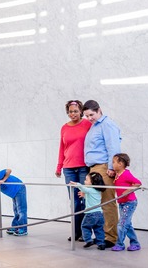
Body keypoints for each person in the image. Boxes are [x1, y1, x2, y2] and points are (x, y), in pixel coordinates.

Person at [83, 99, 122, 248]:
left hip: (104, 167)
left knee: (107, 202)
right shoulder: (95, 126)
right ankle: (102, 236)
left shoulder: (107, 124)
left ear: (99, 110)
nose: (89, 118)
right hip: (94, 168)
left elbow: (113, 146)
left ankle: (111, 238)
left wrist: (112, 167)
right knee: (99, 203)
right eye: (87, 116)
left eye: (91, 114)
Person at [55, 100, 92, 242]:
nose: (73, 114)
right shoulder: (64, 127)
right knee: (75, 202)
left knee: (84, 199)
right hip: (68, 168)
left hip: (83, 167)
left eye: (76, 111)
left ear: (81, 111)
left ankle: (85, 233)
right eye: (70, 111)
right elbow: (61, 148)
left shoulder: (87, 124)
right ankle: (76, 232)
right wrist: (59, 166)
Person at [111, 153, 142, 251]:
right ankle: (135, 243)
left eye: (113, 162)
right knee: (127, 224)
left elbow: (138, 183)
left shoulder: (126, 174)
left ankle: (120, 244)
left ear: (120, 164)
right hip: (122, 203)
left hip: (129, 203)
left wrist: (127, 191)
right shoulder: (117, 174)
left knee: (122, 224)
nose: (112, 164)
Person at [70, 171, 107, 250]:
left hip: (90, 214)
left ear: (92, 182)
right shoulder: (98, 191)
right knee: (99, 229)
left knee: (85, 226)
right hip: (100, 214)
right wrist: (84, 195)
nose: (84, 181)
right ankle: (101, 243)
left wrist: (77, 184)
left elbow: (83, 188)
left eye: (86, 180)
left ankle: (88, 240)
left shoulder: (89, 190)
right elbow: (91, 199)